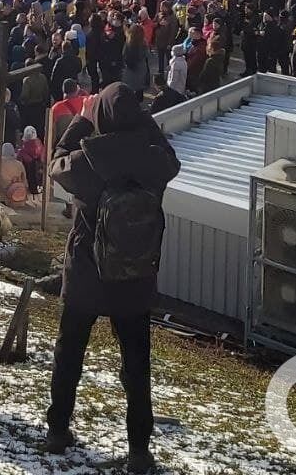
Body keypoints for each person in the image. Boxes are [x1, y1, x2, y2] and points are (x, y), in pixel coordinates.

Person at [46, 82, 180, 473]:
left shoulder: (88, 159)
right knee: (136, 364)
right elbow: (170, 156)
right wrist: (141, 122)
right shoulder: (154, 161)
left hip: (87, 271)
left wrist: (83, 120)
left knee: (69, 352)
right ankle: (139, 451)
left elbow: (56, 162)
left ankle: (58, 430)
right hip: (135, 275)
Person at [17, 124, 47, 196]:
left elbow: (20, 155)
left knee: (30, 176)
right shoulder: (39, 143)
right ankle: (38, 187)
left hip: (28, 166)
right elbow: (43, 153)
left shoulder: (24, 146)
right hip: (38, 165)